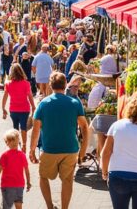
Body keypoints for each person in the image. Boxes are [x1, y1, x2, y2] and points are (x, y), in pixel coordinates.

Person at [29, 72, 89, 209]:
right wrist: (83, 150)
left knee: (43, 177)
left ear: (50, 85)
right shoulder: (75, 103)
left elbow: (36, 129)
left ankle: (50, 206)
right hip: (70, 149)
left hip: (49, 149)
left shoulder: (43, 104)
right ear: (65, 84)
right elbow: (85, 127)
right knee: (67, 181)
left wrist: (32, 150)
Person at [0, 129, 31, 209]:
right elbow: (27, 170)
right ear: (18, 142)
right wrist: (28, 182)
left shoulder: (5, 155)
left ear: (7, 143)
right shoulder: (22, 155)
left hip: (7, 185)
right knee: (19, 205)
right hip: (19, 185)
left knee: (6, 206)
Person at [2, 64, 36, 153]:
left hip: (13, 109)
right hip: (24, 108)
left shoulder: (8, 84)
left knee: (15, 127)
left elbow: (5, 97)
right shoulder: (26, 83)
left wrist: (3, 108)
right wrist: (33, 106)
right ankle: (24, 145)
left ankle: (16, 145)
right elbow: (30, 96)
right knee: (24, 127)